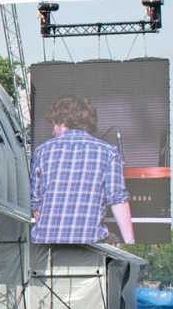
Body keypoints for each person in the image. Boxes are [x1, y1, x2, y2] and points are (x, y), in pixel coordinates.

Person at [30, 94, 134, 244]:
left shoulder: (41, 151)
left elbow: (36, 206)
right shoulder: (108, 152)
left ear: (62, 122)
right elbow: (118, 201)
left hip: (44, 242)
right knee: (112, 239)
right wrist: (130, 243)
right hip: (89, 242)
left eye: (53, 124)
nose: (53, 132)